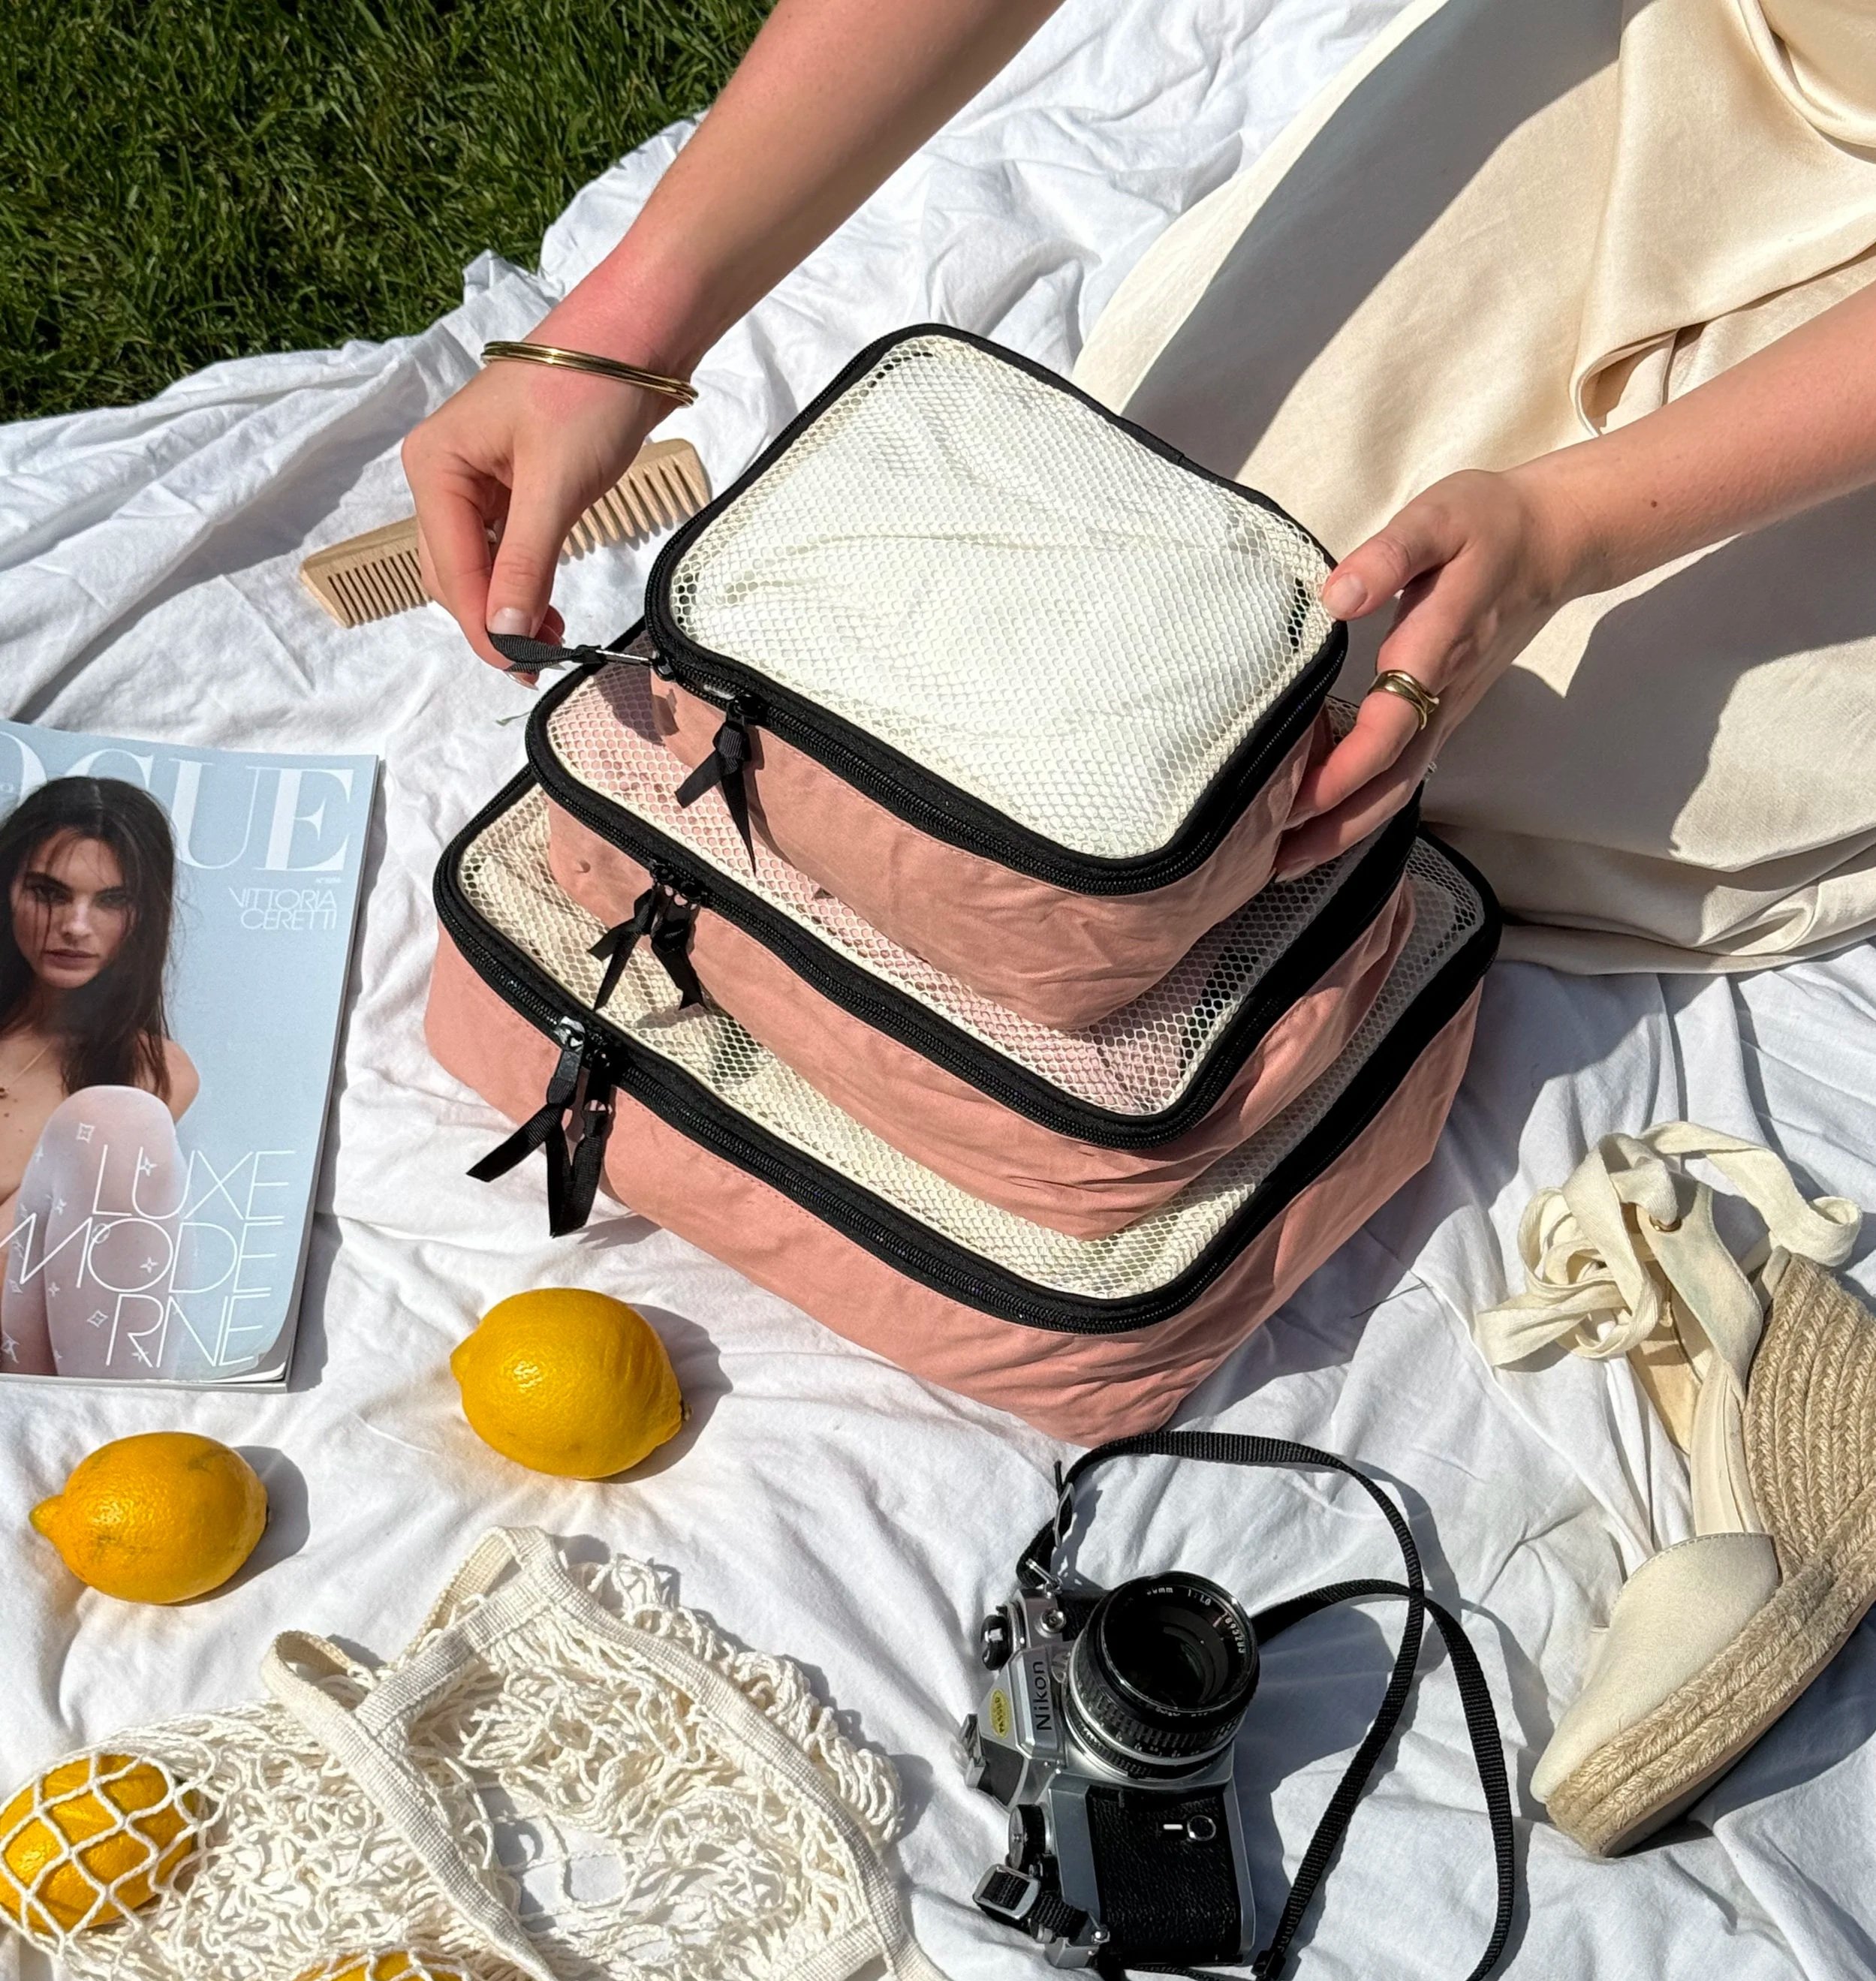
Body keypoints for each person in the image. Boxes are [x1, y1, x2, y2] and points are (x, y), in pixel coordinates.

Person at [403, 0, 1876, 973]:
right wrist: (621, 332)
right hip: (1700, 47)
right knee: (1202, 572)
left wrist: (1568, 528)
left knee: (1469, 771)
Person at [0, 777, 199, 1377]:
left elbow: (18, 1265)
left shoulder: (147, 1074)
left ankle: (109, 1425)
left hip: (25, 1364)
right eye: (48, 893)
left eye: (111, 900)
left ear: (143, 915)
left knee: (116, 1119)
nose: (76, 926)